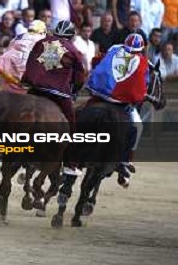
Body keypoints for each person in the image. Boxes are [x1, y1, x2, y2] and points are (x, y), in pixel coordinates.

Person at [85, 33, 150, 182]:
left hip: (99, 96)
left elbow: (99, 62)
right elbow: (142, 88)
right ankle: (125, 160)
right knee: (138, 126)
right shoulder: (142, 62)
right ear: (141, 49)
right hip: (120, 103)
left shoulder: (114, 48)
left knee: (79, 114)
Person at [22, 20, 85, 132]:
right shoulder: (73, 50)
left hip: (35, 89)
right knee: (71, 126)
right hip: (58, 93)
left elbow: (30, 62)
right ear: (71, 36)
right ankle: (71, 146)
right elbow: (79, 77)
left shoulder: (41, 42)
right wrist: (74, 90)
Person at [0, 19, 47, 92]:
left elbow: (8, 51)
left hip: (11, 75)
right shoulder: (43, 39)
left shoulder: (19, 37)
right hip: (28, 80)